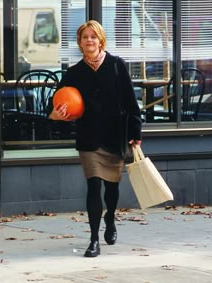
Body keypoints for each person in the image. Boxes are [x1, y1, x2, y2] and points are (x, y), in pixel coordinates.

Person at [49, 20, 142, 257]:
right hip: (89, 137)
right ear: (79, 43)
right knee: (93, 185)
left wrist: (135, 134)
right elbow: (58, 104)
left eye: (93, 36)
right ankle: (93, 240)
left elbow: (132, 104)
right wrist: (55, 115)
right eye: (84, 37)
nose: (89, 41)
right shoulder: (74, 72)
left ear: (101, 40)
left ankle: (110, 218)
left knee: (111, 188)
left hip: (115, 135)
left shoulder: (116, 66)